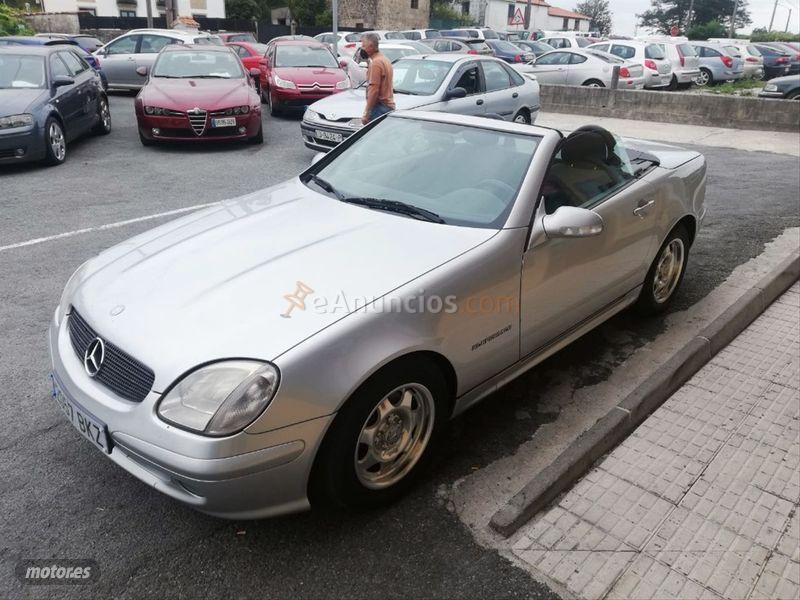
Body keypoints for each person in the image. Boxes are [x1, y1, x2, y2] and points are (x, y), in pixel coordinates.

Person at [360, 33, 395, 125]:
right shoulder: (385, 60)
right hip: (387, 106)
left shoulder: (376, 63)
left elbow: (374, 90)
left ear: (371, 46)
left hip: (379, 108)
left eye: (363, 45)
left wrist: (366, 112)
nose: (361, 49)